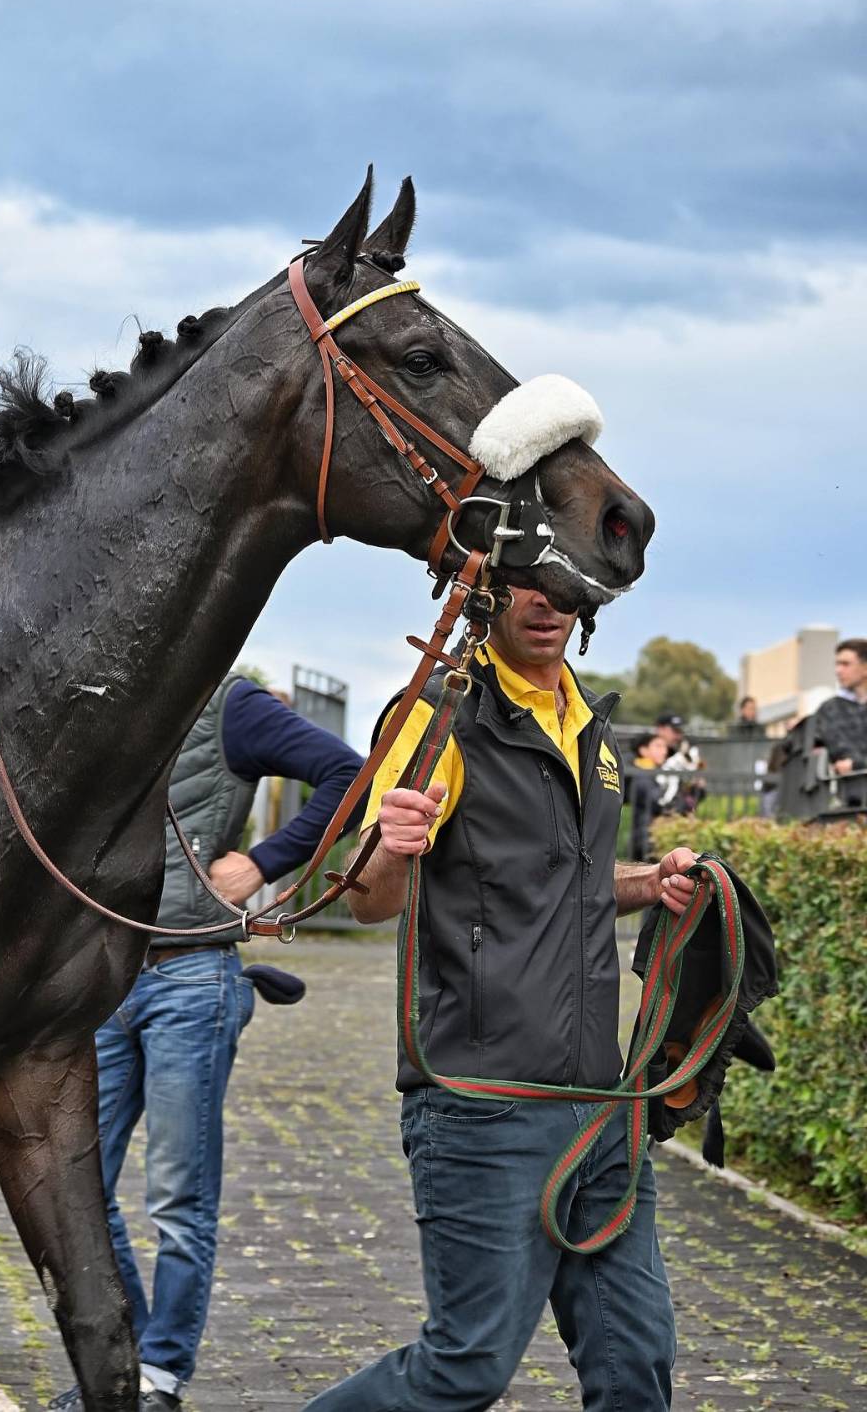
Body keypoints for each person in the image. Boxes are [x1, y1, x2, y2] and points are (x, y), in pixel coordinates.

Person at [304, 586, 704, 1412]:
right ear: (487, 591)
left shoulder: (592, 726)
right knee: (466, 1367)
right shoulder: (441, 714)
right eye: (529, 578)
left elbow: (580, 886)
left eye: (569, 588)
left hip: (602, 1106)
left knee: (638, 1360)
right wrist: (396, 845)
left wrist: (652, 881)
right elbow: (369, 896)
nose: (548, 601)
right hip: (484, 1105)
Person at [50, 674, 364, 1411]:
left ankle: (159, 1376)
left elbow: (349, 774)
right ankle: (121, 1363)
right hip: (100, 982)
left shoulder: (231, 706)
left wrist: (263, 861)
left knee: (178, 1199)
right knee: (76, 1186)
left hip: (193, 979)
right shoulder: (97, 696)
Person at [813, 639, 867, 808]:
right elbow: (812, 746)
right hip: (848, 803)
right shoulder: (828, 709)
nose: (838, 670)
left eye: (845, 664)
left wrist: (857, 764)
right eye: (837, 664)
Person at [627, 730, 668, 859]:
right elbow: (659, 803)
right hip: (645, 840)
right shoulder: (641, 775)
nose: (664, 751)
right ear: (643, 750)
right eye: (658, 746)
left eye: (665, 746)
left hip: (655, 836)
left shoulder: (657, 774)